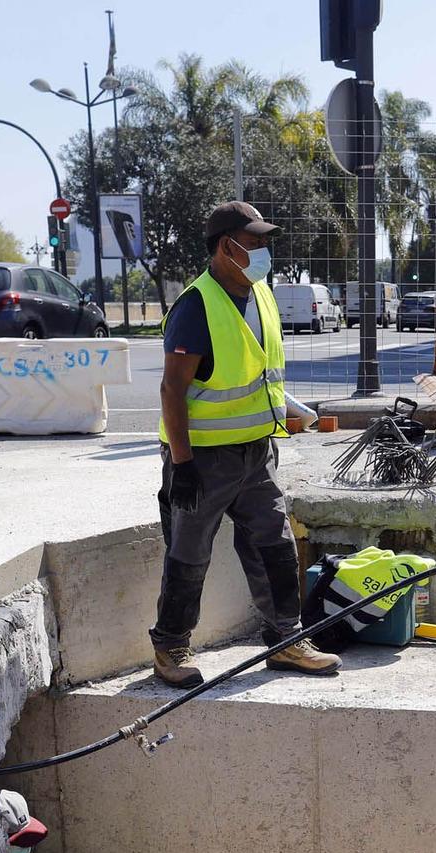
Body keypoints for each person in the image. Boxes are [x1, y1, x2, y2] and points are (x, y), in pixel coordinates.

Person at [152, 200, 339, 688]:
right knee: (188, 554)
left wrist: (296, 411)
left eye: (263, 241)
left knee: (274, 545)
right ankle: (170, 647)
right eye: (253, 241)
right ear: (224, 247)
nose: (262, 250)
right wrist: (183, 462)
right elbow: (173, 389)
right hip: (202, 460)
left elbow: (259, 371)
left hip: (257, 454)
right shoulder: (196, 305)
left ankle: (286, 641)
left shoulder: (262, 296)